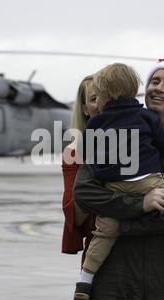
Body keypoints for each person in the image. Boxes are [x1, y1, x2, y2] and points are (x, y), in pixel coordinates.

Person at [73, 58, 164, 300]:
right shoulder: (112, 134)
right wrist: (141, 203)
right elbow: (86, 193)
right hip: (116, 278)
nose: (159, 87)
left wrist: (123, 225)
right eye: (154, 81)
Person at [62, 75, 99, 258]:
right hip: (98, 252)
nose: (102, 103)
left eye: (108, 96)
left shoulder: (139, 141)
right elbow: (75, 217)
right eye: (94, 99)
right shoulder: (74, 153)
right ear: (84, 108)